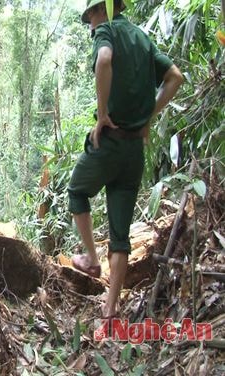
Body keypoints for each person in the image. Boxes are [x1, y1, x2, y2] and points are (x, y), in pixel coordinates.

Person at [68, 0, 183, 319]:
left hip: (108, 143)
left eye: (90, 16)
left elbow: (104, 60)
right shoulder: (142, 38)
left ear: (100, 11)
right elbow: (175, 76)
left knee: (77, 191)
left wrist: (102, 114)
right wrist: (149, 115)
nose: (90, 24)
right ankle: (110, 309)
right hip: (134, 151)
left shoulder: (105, 32)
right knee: (120, 236)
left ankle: (91, 258)